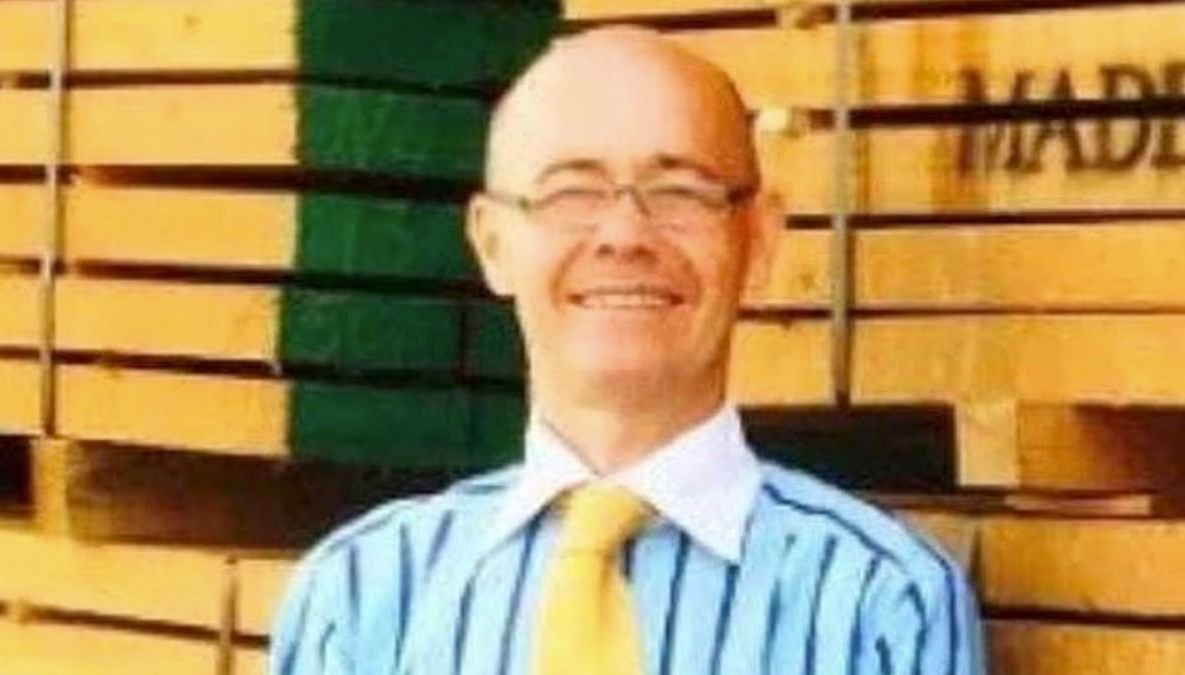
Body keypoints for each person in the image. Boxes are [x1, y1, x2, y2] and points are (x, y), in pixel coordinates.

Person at [270, 26, 984, 675]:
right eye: (570, 193)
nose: (624, 236)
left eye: (679, 191)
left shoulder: (880, 605)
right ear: (492, 244)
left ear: (759, 241)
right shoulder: (360, 596)